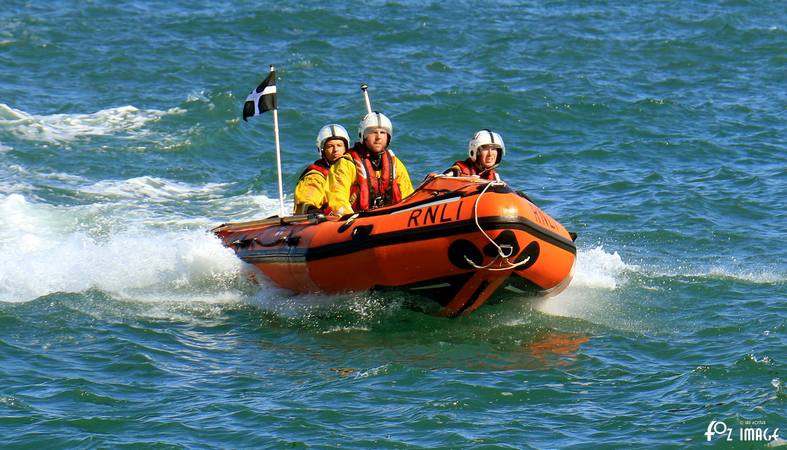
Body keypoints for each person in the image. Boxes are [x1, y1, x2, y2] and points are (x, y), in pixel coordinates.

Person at [327, 111, 413, 215]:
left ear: (388, 137)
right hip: (357, 218)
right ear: (364, 136)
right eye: (373, 132)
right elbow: (337, 197)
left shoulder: (394, 163)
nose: (378, 137)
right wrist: (348, 216)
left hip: (391, 216)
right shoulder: (346, 164)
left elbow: (408, 194)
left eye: (383, 133)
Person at [293, 124, 350, 215]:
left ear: (345, 148)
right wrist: (310, 208)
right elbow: (308, 196)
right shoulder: (315, 177)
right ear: (322, 150)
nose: (335, 150)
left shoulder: (352, 170)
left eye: (339, 145)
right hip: (329, 221)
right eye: (330, 146)